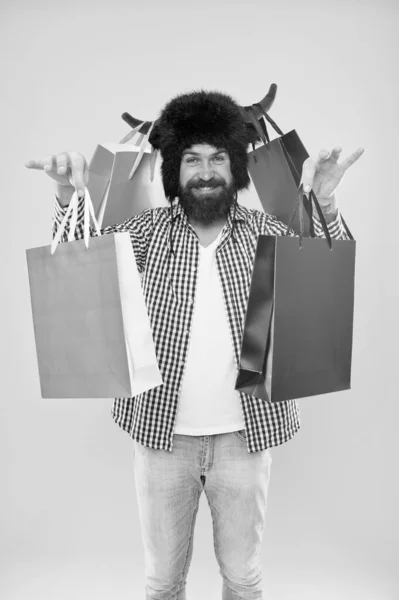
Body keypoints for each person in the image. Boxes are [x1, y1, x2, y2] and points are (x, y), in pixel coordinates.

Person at [25, 90, 364, 600]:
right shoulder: (145, 233)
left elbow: (323, 270)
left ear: (236, 167)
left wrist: (328, 199)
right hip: (162, 439)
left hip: (244, 440)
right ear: (174, 171)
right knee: (163, 583)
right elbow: (81, 265)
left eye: (218, 158)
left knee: (243, 578)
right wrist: (69, 199)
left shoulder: (265, 232)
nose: (206, 172)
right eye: (192, 159)